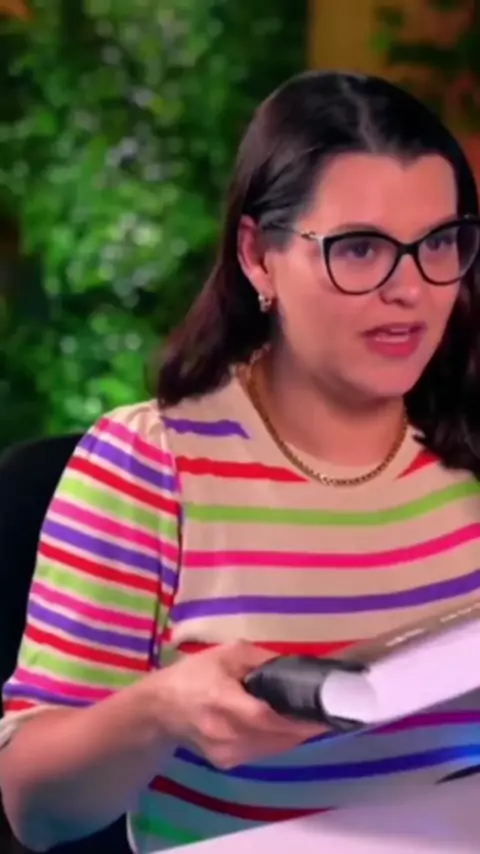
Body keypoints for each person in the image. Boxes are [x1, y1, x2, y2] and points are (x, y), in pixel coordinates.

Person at [2, 69, 480, 854]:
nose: (411, 290)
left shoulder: (465, 438)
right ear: (259, 256)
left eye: (439, 243)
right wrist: (161, 709)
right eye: (361, 249)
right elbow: (34, 807)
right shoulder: (147, 465)